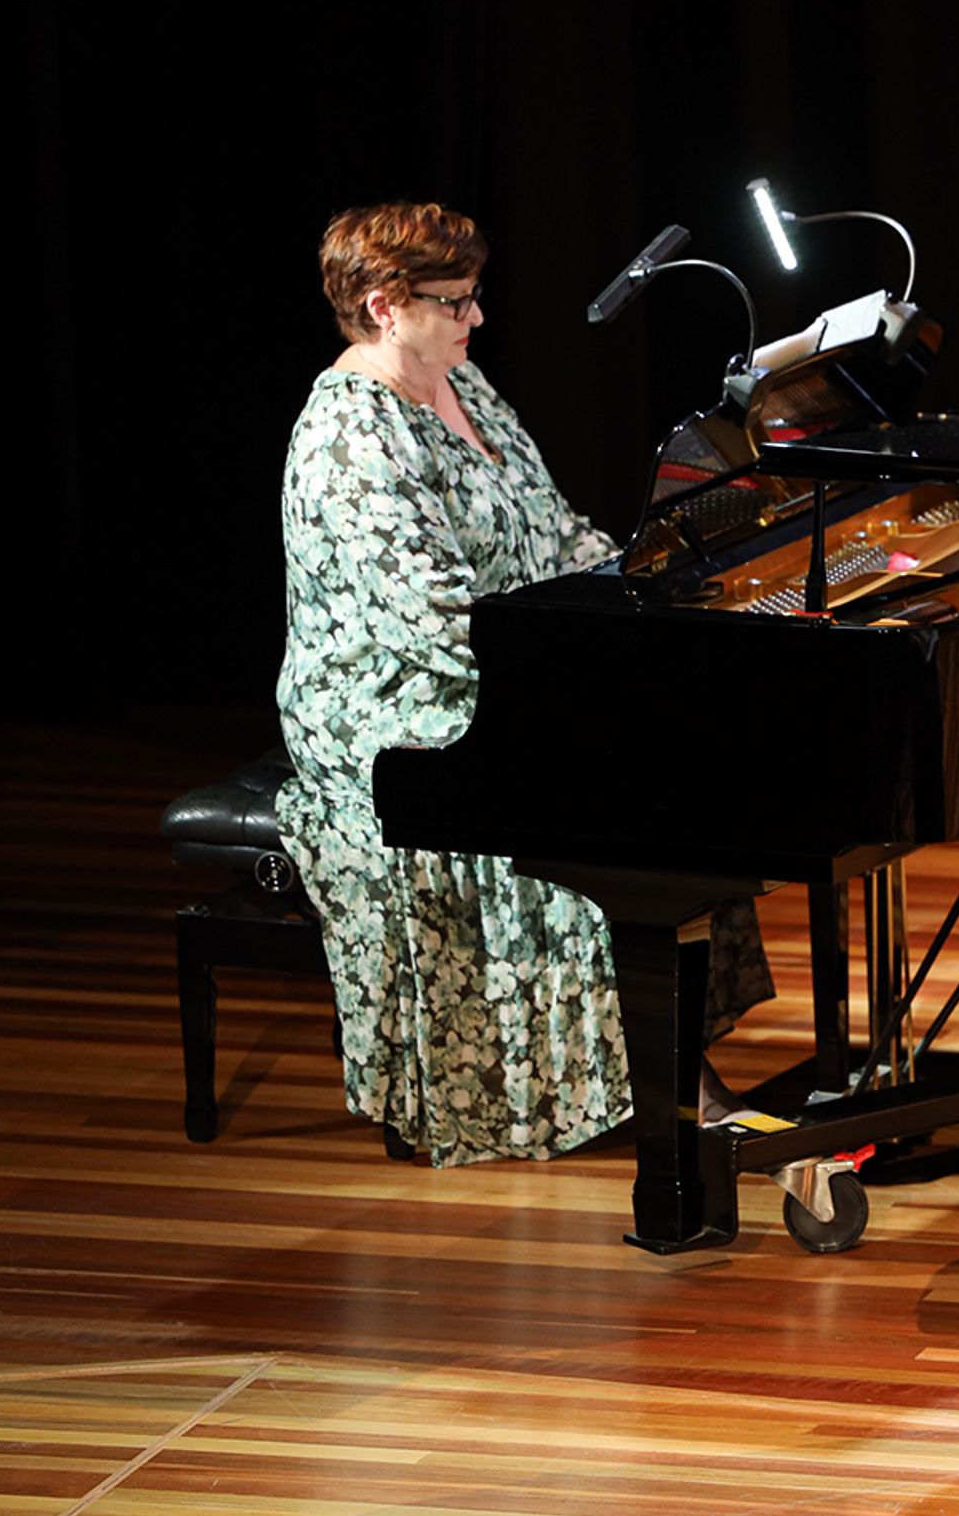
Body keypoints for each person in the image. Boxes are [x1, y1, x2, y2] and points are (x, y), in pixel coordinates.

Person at [274, 201, 772, 1165]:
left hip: (502, 652)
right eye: (454, 301)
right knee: (580, 773)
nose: (476, 317)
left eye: (474, 295)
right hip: (393, 699)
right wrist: (571, 669)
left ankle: (662, 1050)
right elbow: (430, 620)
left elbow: (552, 526)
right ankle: (641, 1083)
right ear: (384, 307)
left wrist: (643, 581)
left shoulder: (461, 382)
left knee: (671, 731)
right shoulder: (349, 437)